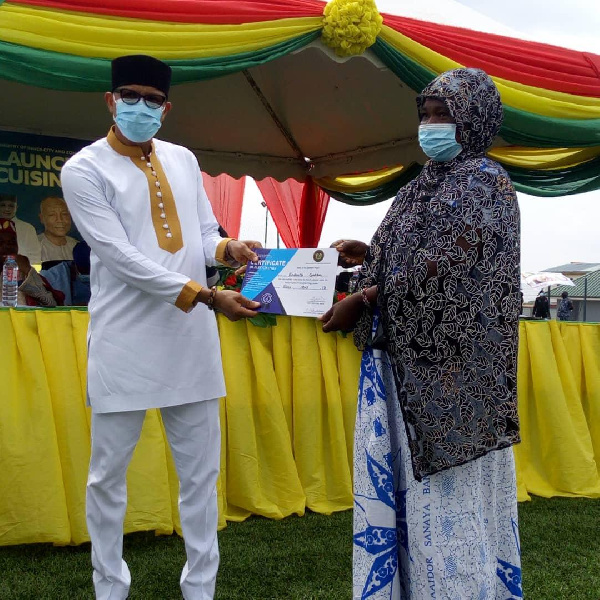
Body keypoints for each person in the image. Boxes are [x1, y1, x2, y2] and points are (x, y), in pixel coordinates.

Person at [60, 54, 261, 600]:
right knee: (107, 478)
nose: (141, 107)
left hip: (190, 340)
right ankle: (110, 587)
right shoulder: (83, 169)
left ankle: (200, 588)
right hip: (125, 340)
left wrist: (228, 248)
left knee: (201, 479)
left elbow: (200, 234)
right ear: (110, 100)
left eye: (153, 100)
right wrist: (206, 295)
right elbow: (120, 256)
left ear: (167, 108)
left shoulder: (183, 159)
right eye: (131, 96)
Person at [320, 69, 522, 599]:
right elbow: (409, 256)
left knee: (449, 509)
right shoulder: (422, 185)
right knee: (409, 497)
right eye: (425, 115)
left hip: (454, 384)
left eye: (443, 115)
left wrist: (363, 298)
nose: (431, 126)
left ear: (475, 120)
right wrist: (370, 257)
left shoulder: (484, 182)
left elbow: (446, 270)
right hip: (402, 370)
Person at [0, 218, 63, 306]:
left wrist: (27, 270)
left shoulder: (24, 274)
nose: (7, 247)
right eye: (0, 242)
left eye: (12, 242)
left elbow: (51, 304)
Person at [0, 193, 42, 264]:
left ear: (16, 208)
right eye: (3, 205)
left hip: (21, 272)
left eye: (11, 206)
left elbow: (35, 256)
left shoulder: (27, 228)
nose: (7, 209)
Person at [38, 196, 78, 263]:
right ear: (42, 218)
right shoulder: (35, 245)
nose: (60, 220)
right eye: (52, 215)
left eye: (64, 214)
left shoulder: (77, 246)